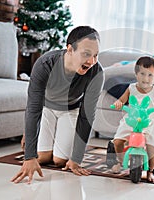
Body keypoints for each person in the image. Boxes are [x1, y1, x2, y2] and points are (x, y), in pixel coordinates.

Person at [11, 26, 104, 184]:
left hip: (70, 110)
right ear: (70, 49)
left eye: (95, 55)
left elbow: (87, 115)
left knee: (61, 161)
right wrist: (29, 156)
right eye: (86, 54)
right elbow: (34, 108)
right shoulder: (45, 64)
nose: (91, 61)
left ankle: (55, 138)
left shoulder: (96, 73)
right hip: (46, 109)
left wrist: (76, 158)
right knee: (42, 157)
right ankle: (33, 134)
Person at [111, 56, 154, 182]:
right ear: (136, 74)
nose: (145, 78)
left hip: (149, 122)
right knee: (118, 141)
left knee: (151, 145)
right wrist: (118, 103)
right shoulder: (131, 88)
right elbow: (122, 100)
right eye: (142, 73)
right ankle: (120, 161)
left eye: (150, 75)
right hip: (131, 121)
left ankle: (150, 171)